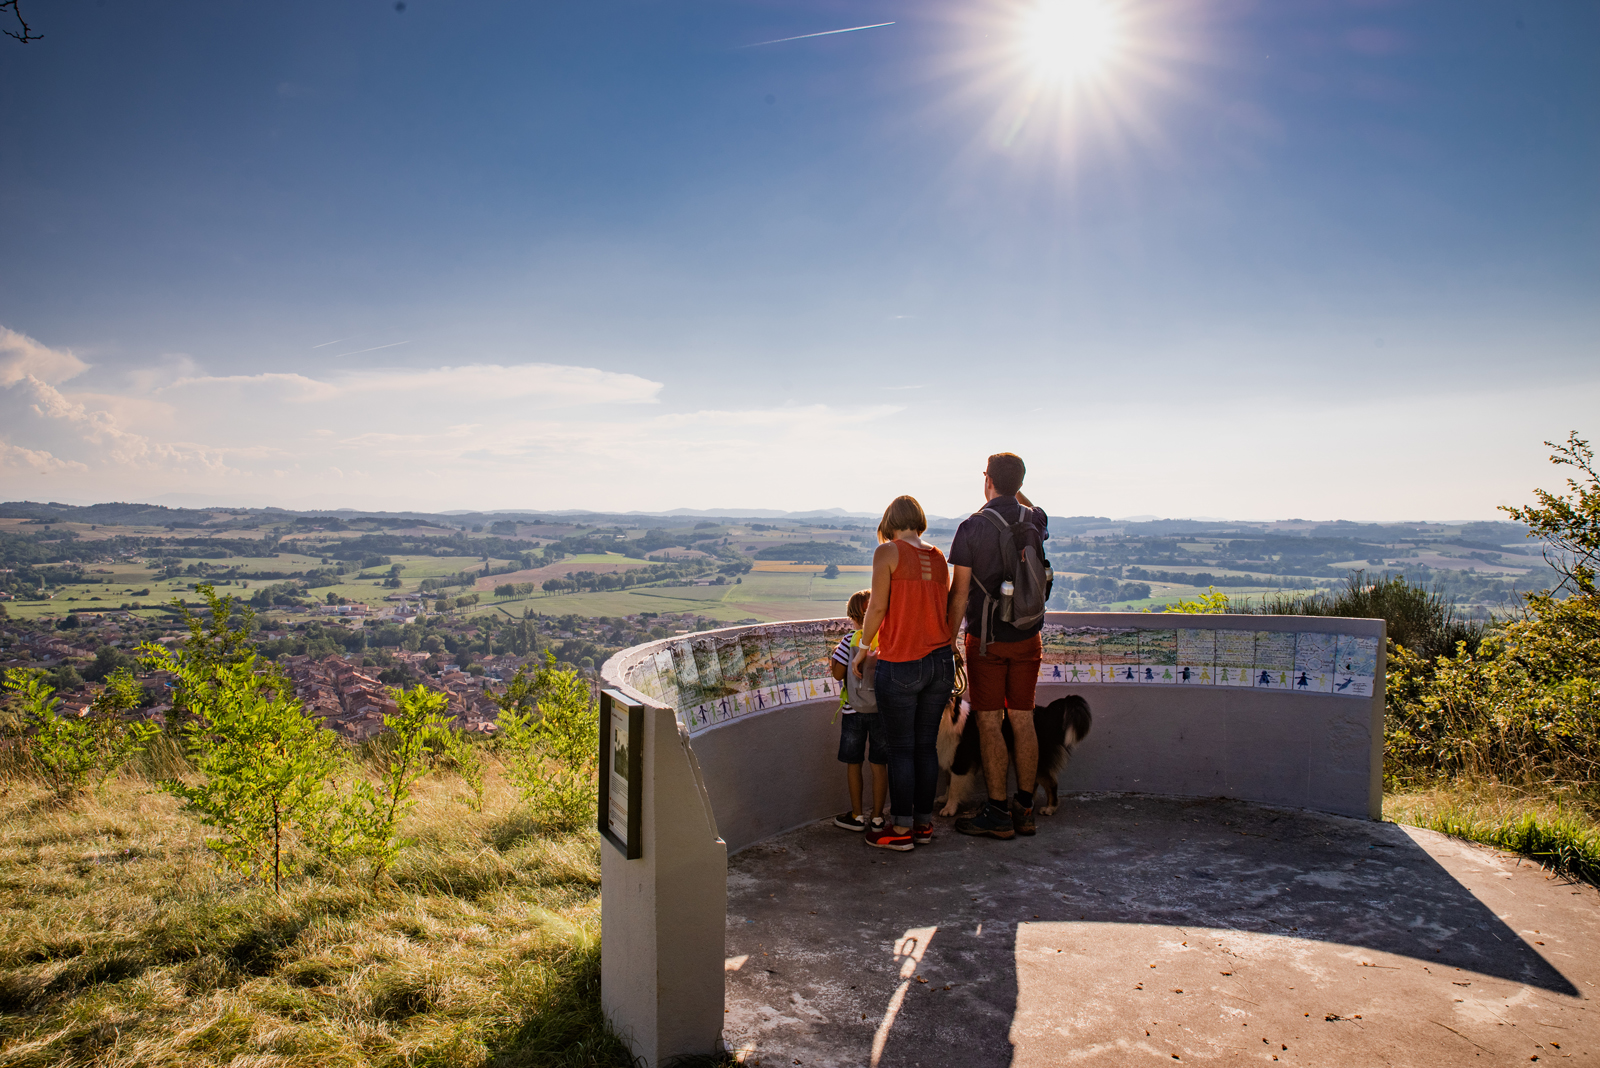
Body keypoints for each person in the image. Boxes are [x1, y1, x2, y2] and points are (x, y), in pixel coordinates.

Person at [947, 452, 1049, 840]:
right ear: (1021, 484)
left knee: (990, 723)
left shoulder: (972, 527)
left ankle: (997, 813)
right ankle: (1025, 809)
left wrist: (947, 642)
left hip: (986, 642)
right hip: (1029, 635)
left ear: (986, 479)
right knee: (1023, 719)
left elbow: (959, 596)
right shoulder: (1035, 519)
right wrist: (1010, 492)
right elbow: (1025, 506)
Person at [852, 495, 961, 851]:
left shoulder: (888, 552)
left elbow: (878, 606)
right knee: (925, 747)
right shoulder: (938, 556)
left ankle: (899, 833)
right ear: (919, 520)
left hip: (902, 663)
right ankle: (923, 826)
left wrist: (864, 648)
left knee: (901, 749)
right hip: (941, 662)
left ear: (889, 523)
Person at [829, 590, 888, 832]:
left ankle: (856, 816)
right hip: (881, 712)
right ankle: (877, 817)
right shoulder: (884, 639)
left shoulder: (849, 641)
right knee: (879, 764)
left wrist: (833, 659)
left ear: (852, 614)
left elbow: (838, 674)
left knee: (854, 763)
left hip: (853, 712)